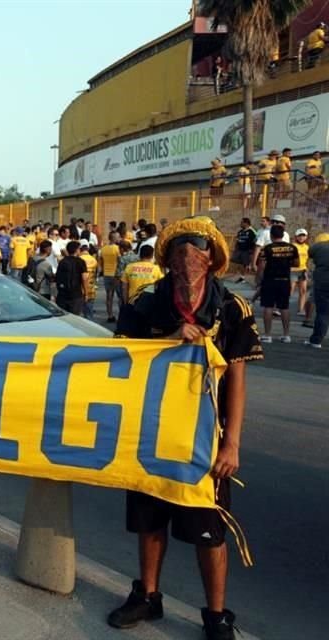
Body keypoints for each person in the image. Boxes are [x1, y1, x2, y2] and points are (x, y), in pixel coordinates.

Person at [111, 217, 262, 640]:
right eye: (176, 246)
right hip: (150, 433)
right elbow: (123, 363)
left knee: (208, 531)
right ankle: (148, 596)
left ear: (212, 257)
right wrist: (169, 341)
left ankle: (216, 615)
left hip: (204, 440)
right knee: (149, 521)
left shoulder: (232, 309)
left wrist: (231, 443)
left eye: (195, 246)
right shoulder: (144, 305)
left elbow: (237, 379)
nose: (185, 255)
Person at [258, 226, 299, 343]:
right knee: (284, 307)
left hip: (270, 280)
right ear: (283, 234)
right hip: (285, 280)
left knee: (268, 306)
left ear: (271, 235)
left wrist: (259, 278)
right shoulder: (292, 248)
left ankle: (267, 335)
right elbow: (296, 263)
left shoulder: (267, 248)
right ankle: (286, 335)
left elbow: (262, 265)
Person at [305, 232, 329, 347]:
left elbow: (310, 255)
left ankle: (316, 341)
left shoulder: (318, 247)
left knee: (323, 313)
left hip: (323, 282)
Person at [54, 241, 88, 315]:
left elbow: (57, 277)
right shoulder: (80, 262)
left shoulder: (62, 261)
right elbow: (84, 278)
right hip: (75, 294)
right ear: (76, 250)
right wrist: (86, 293)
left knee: (63, 317)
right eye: (79, 249)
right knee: (74, 317)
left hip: (62, 295)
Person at [99, 233, 122, 322]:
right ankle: (121, 315)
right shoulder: (117, 249)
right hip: (116, 275)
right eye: (118, 237)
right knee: (120, 296)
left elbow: (101, 261)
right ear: (114, 238)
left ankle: (110, 315)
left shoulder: (103, 249)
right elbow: (120, 261)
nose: (119, 238)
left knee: (109, 295)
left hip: (107, 274)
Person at [291, 229, 310, 317]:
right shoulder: (292, 246)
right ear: (296, 236)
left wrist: (306, 270)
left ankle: (301, 309)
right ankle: (281, 308)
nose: (301, 237)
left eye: (303, 235)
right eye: (300, 235)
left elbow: (307, 260)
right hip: (293, 270)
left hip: (303, 271)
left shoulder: (307, 247)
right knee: (290, 290)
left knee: (303, 291)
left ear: (306, 237)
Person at [231, 218, 255, 283]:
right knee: (236, 262)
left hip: (247, 251)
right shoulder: (240, 232)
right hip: (239, 250)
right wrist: (235, 248)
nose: (240, 224)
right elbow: (237, 241)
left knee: (245, 264)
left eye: (242, 222)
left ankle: (243, 277)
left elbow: (254, 242)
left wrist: (252, 252)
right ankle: (241, 275)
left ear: (246, 223)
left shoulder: (251, 232)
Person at [79, 242, 98, 320]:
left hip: (80, 289)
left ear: (80, 250)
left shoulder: (79, 259)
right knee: (89, 313)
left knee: (80, 314)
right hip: (91, 288)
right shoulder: (94, 260)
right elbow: (96, 274)